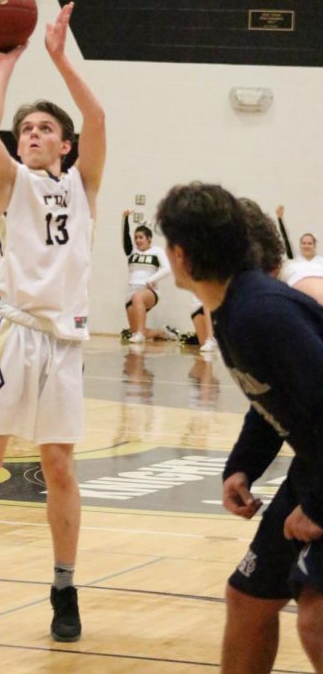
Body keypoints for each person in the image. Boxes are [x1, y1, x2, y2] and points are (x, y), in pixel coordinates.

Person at [0, 2, 106, 642]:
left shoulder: (83, 184)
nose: (30, 133)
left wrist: (60, 59)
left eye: (42, 129)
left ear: (64, 143)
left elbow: (97, 117)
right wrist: (5, 63)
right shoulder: (11, 182)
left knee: (58, 466)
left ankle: (64, 589)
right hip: (8, 333)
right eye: (25, 127)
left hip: (62, 340)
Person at [156, 182, 323, 673]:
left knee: (315, 620)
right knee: (248, 598)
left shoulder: (262, 311)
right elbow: (274, 395)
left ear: (180, 256)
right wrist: (243, 466)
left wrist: (317, 505)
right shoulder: (233, 307)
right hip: (313, 468)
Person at [121, 211, 175, 343]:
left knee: (138, 298)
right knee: (135, 331)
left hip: (149, 291)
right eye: (136, 238)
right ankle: (160, 332)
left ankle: (140, 333)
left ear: (149, 239)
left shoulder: (157, 251)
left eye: (141, 237)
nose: (138, 240)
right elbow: (124, 237)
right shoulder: (132, 252)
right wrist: (125, 218)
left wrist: (152, 279)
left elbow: (168, 268)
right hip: (131, 293)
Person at [276, 205, 323, 304]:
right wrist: (280, 219)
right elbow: (286, 240)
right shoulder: (294, 260)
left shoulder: (320, 261)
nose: (306, 246)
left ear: (314, 245)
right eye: (304, 243)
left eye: (310, 243)